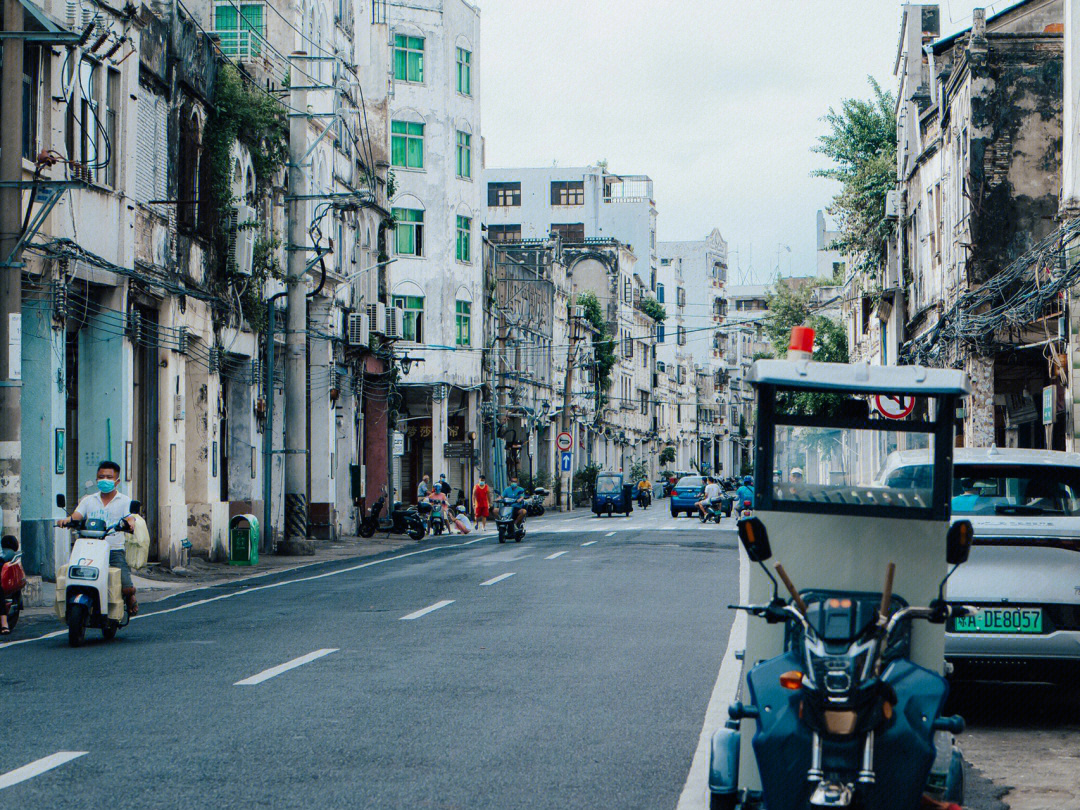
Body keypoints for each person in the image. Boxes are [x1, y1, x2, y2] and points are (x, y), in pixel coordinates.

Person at [56, 460, 138, 615]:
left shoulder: (125, 501)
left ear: (117, 481)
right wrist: (66, 521)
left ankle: (130, 597)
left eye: (108, 477)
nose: (104, 480)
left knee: (125, 585)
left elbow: (130, 518)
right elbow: (76, 516)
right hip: (88, 550)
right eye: (101, 477)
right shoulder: (88, 500)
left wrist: (129, 523)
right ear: (96, 479)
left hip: (113, 550)